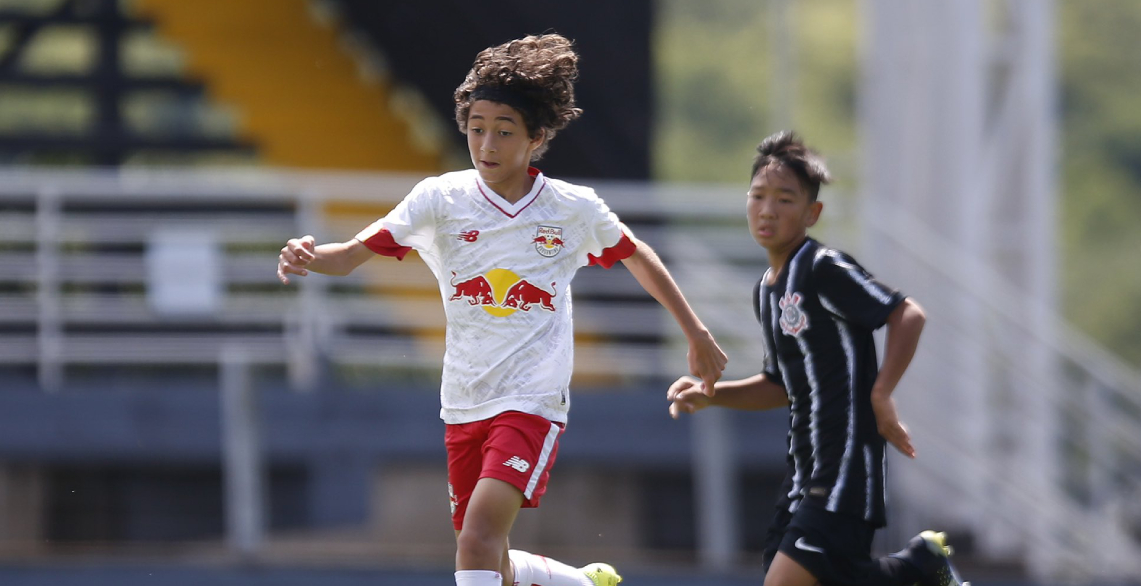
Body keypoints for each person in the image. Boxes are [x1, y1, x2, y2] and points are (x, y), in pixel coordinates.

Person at [277, 33, 728, 586]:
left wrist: (696, 332)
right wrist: (307, 255)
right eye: (476, 129)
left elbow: (636, 256)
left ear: (537, 137)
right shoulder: (438, 199)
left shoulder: (571, 209)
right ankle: (583, 583)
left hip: (532, 399)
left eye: (504, 131)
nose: (486, 144)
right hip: (464, 400)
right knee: (490, 555)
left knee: (476, 537)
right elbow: (348, 257)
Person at [666, 131, 968, 586]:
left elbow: (908, 314)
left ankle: (918, 567)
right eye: (758, 196)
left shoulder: (823, 267)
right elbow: (781, 384)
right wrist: (712, 396)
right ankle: (919, 566)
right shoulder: (767, 290)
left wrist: (882, 394)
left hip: (845, 468)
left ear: (813, 213)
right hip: (803, 474)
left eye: (785, 199)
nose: (768, 209)